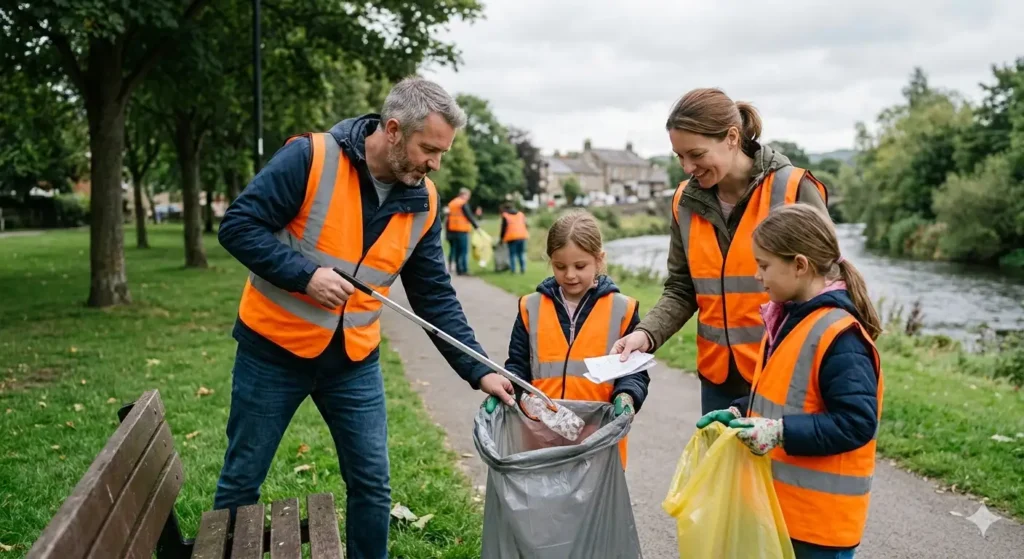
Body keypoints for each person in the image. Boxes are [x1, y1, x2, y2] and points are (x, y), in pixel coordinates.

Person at [214, 77, 515, 559]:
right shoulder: (309, 158)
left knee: (373, 486)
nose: (435, 163)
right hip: (272, 352)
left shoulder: (425, 200)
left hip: (353, 363)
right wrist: (305, 275)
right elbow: (238, 226)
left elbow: (434, 296)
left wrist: (480, 370)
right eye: (428, 149)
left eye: (442, 152)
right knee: (242, 480)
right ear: (393, 129)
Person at [612, 87, 830, 414]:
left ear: (731, 137)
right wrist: (646, 334)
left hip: (786, 374)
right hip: (718, 381)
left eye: (696, 155)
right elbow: (683, 288)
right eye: (679, 156)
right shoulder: (683, 203)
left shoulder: (794, 189)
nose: (687, 167)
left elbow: (831, 284)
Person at [698, 204, 884, 559]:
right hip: (780, 514)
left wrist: (779, 433)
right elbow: (783, 397)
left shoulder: (840, 336)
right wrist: (740, 412)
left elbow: (857, 422)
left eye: (764, 265)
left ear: (800, 265)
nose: (756, 274)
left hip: (818, 527)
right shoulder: (788, 319)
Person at [484, 210, 650, 467]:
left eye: (580, 266)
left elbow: (634, 372)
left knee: (594, 507)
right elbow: (517, 365)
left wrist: (627, 396)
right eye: (560, 266)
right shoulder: (531, 307)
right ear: (551, 261)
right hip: (540, 436)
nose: (570, 275)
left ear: (599, 260)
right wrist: (507, 389)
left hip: (598, 438)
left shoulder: (622, 310)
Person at [445, 187, 479, 275]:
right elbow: (469, 215)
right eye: (468, 196)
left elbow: (448, 219)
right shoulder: (463, 203)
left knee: (456, 251)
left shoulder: (451, 203)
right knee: (463, 251)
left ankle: (458, 269)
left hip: (452, 230)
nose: (468, 198)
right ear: (464, 195)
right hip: (462, 230)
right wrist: (476, 226)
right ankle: (464, 269)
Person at [499, 202, 529, 274]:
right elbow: (526, 224)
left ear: (505, 209)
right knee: (521, 253)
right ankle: (523, 269)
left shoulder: (506, 216)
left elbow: (503, 228)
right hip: (522, 236)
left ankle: (513, 270)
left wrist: (501, 238)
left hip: (512, 237)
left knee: (512, 254)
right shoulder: (521, 214)